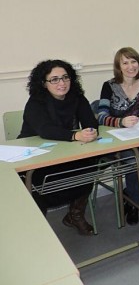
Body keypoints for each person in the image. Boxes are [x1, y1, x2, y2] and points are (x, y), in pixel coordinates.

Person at [20, 59, 98, 235]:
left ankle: (75, 215)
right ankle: (36, 231)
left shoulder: (76, 97)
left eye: (65, 78)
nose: (61, 83)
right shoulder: (36, 102)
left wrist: (91, 131)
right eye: (54, 79)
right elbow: (45, 129)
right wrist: (75, 135)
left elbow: (90, 122)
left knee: (91, 163)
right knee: (36, 185)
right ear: (43, 83)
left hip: (66, 153)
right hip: (37, 159)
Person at [97, 47, 139, 225]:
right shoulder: (109, 86)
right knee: (131, 163)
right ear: (118, 67)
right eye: (125, 62)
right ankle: (134, 204)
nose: (130, 66)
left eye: (133, 61)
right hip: (118, 137)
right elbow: (101, 116)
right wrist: (120, 122)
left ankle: (128, 193)